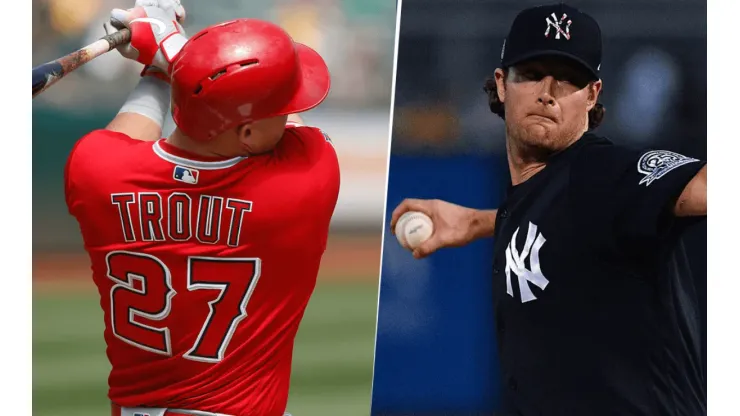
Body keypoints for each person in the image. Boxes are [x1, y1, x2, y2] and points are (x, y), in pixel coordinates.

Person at [391, 4, 706, 415]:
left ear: (592, 96)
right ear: (502, 84)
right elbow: (567, 223)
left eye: (569, 80)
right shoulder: (541, 195)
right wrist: (478, 222)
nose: (547, 92)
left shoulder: (604, 172)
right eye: (532, 73)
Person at [64, 1, 340, 415]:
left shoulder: (94, 170)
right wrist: (171, 47)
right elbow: (298, 127)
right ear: (246, 131)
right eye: (278, 109)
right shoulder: (303, 184)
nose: (287, 113)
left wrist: (164, 68)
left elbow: (127, 141)